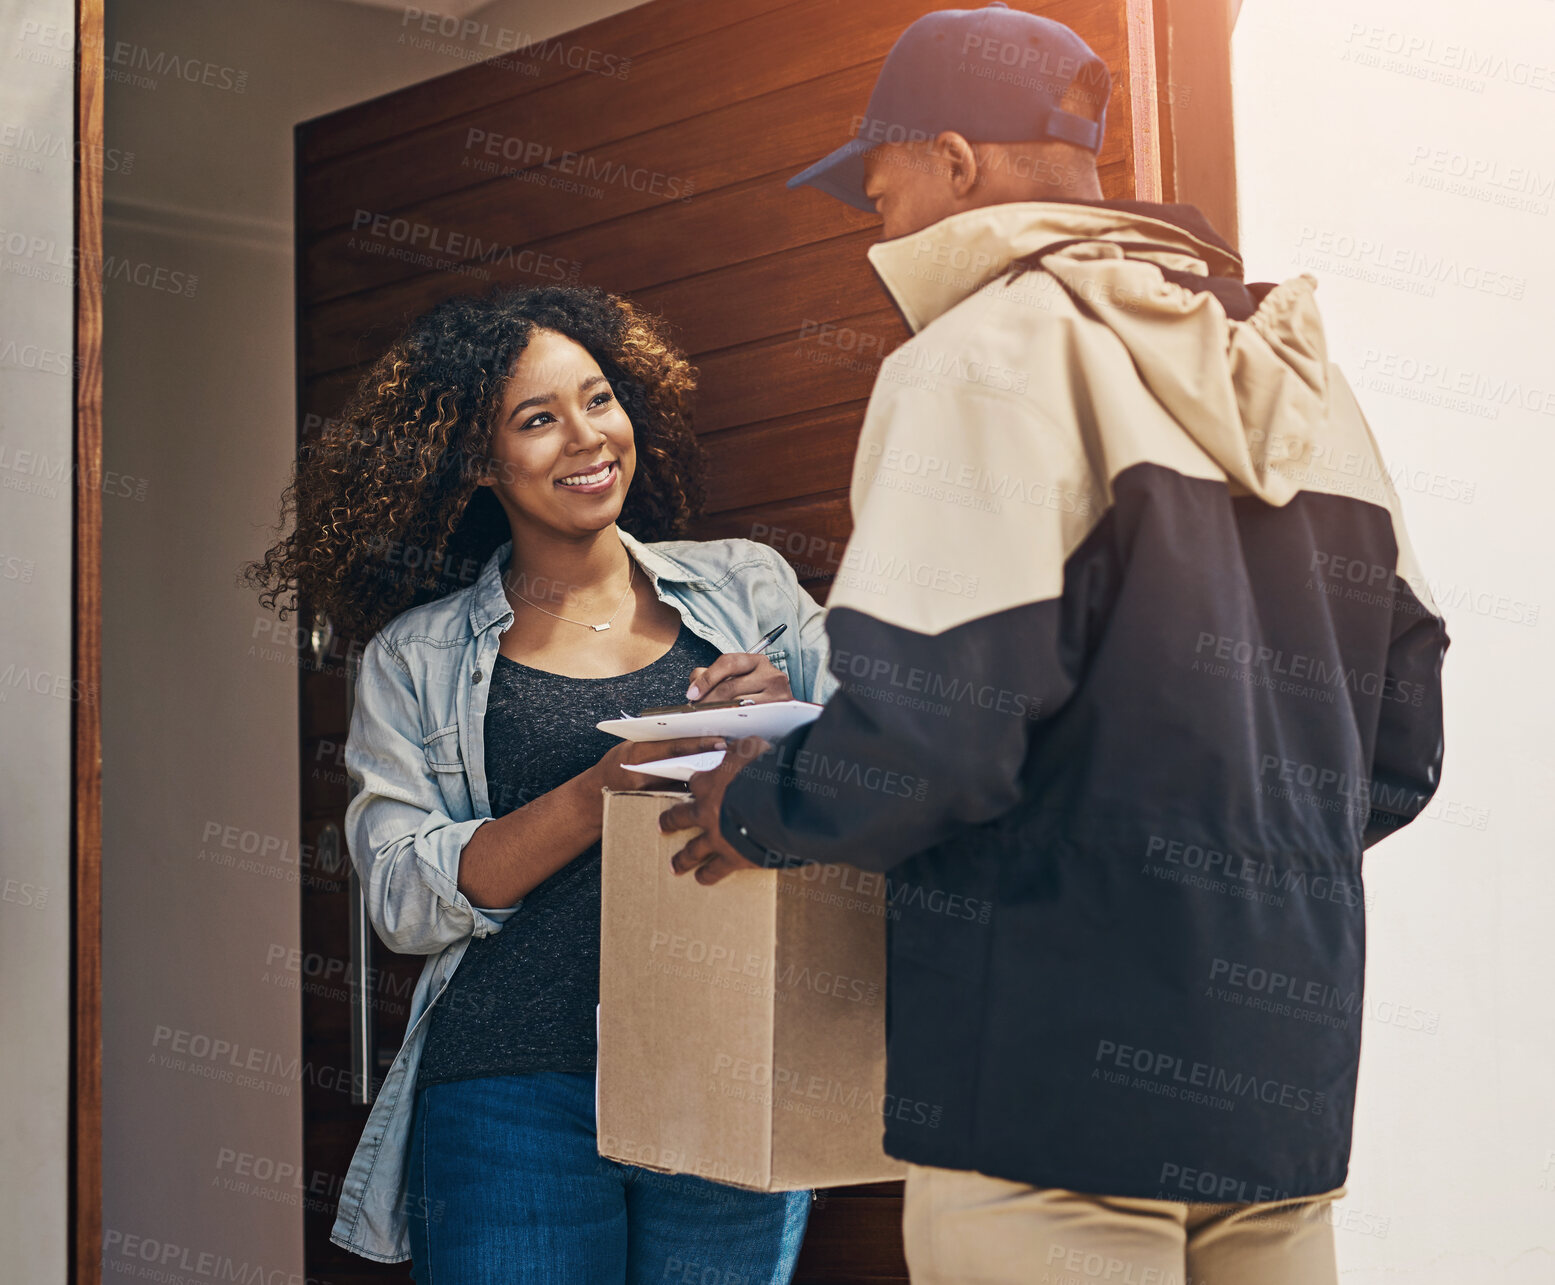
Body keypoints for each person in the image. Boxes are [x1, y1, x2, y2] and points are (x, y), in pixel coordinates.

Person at [659, 6, 1449, 1284]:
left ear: (958, 163)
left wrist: (754, 810)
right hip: (1280, 1096)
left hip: (1045, 1093)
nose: (880, 230)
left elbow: (928, 731)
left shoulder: (977, 360)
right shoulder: (1306, 382)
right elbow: (1398, 748)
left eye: (881, 190)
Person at [246, 284, 832, 1279]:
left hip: (726, 1070)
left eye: (598, 399)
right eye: (537, 418)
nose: (585, 438)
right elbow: (400, 896)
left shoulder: (750, 591)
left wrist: (792, 721)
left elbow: (880, 776)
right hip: (508, 1093)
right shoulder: (414, 658)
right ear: (477, 460)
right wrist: (604, 784)